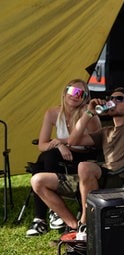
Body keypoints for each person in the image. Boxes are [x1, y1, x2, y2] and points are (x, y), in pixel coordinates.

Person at [31, 87, 124, 231]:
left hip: (120, 179)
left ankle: (86, 225)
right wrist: (89, 112)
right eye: (110, 99)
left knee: (84, 167)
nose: (112, 101)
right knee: (37, 181)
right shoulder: (105, 132)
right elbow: (74, 141)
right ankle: (75, 226)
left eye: (118, 99)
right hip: (101, 177)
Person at [26, 79, 102, 237]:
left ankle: (42, 217)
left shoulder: (88, 114)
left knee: (47, 157)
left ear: (85, 98)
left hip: (84, 159)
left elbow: (97, 141)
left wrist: (61, 143)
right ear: (65, 91)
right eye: (73, 91)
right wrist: (60, 146)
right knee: (45, 157)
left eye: (81, 94)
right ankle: (49, 216)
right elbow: (42, 144)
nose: (76, 96)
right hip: (62, 159)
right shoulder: (52, 113)